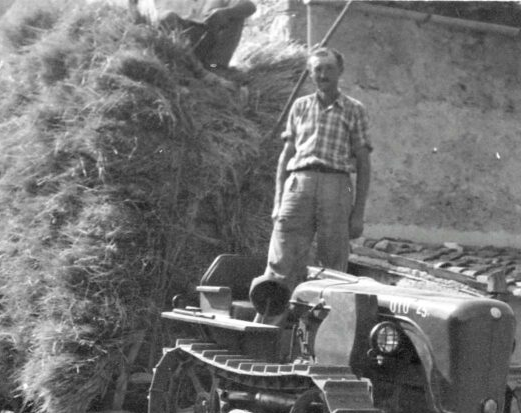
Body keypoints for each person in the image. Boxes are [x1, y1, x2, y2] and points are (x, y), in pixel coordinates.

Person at [261, 47, 372, 300]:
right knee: (282, 257)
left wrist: (358, 214)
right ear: (311, 74)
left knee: (332, 264)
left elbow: (364, 164)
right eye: (317, 69)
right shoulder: (300, 107)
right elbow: (286, 156)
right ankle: (270, 323)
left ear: (340, 71)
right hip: (299, 183)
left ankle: (325, 331)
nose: (323, 75)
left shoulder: (354, 109)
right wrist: (278, 202)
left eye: (329, 69)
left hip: (337, 184)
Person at [129, 0, 257, 70]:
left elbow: (250, 6)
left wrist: (226, 12)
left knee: (236, 14)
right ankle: (188, 68)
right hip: (173, 46)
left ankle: (216, 67)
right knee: (168, 18)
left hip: (206, 42)